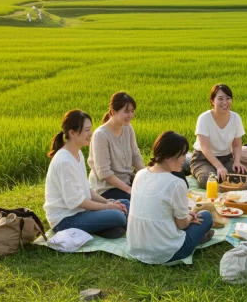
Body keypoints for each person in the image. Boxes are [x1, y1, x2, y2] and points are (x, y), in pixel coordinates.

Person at [126, 131, 215, 264]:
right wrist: (190, 217)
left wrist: (185, 215)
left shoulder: (140, 174)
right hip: (165, 252)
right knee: (206, 216)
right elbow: (181, 224)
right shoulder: (176, 183)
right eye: (182, 154)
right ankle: (195, 239)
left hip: (135, 248)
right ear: (168, 157)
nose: (185, 159)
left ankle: (197, 237)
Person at [44, 110, 129, 239]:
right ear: (72, 133)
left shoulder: (77, 154)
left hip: (81, 212)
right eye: (87, 130)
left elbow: (88, 190)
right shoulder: (64, 161)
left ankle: (107, 227)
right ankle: (110, 225)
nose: (91, 134)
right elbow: (78, 202)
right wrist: (107, 207)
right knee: (118, 215)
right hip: (66, 220)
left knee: (125, 204)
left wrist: (108, 203)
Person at [191, 84, 247, 188]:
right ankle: (198, 169)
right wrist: (219, 166)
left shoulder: (235, 118)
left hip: (226, 158)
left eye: (228, 98)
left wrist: (237, 161)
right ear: (212, 101)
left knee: (242, 177)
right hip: (203, 159)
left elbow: (237, 145)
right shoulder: (204, 118)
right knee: (207, 181)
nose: (225, 102)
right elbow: (204, 147)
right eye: (220, 98)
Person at [87, 92, 145, 201]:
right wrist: (128, 189)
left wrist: (147, 176)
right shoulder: (101, 135)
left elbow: (135, 156)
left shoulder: (127, 128)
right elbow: (104, 173)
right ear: (113, 112)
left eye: (132, 111)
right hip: (106, 189)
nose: (130, 115)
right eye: (126, 111)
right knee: (140, 202)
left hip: (126, 182)